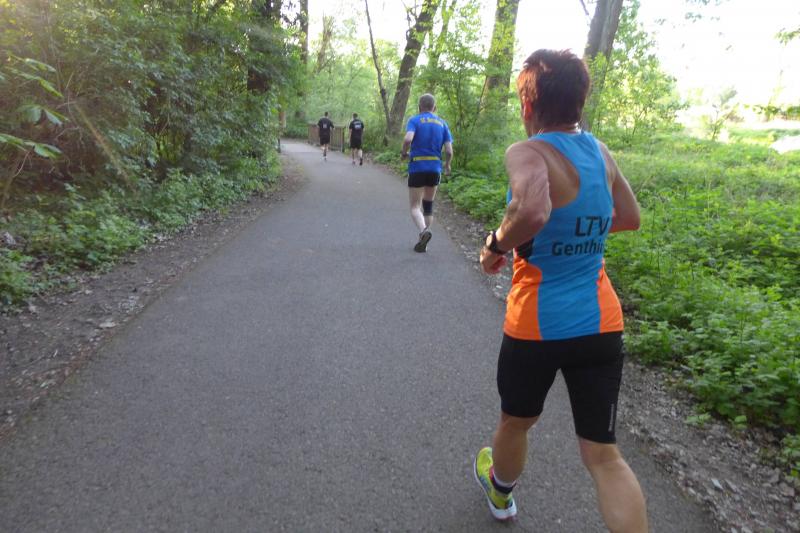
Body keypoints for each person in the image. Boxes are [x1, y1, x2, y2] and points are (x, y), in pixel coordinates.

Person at [473, 49, 648, 532]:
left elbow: (531, 212)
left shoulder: (527, 151)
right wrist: (578, 233)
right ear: (580, 101)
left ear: (527, 105)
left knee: (516, 422)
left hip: (536, 324)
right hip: (600, 323)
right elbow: (629, 217)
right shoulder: (600, 151)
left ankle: (501, 494)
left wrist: (494, 246)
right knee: (603, 455)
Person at [401, 94, 453, 253]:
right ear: (434, 107)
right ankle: (423, 240)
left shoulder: (415, 120)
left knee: (415, 207)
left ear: (419, 107)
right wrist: (447, 165)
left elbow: (408, 139)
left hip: (417, 167)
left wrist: (404, 153)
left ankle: (423, 231)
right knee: (428, 206)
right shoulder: (443, 123)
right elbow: (449, 151)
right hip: (435, 168)